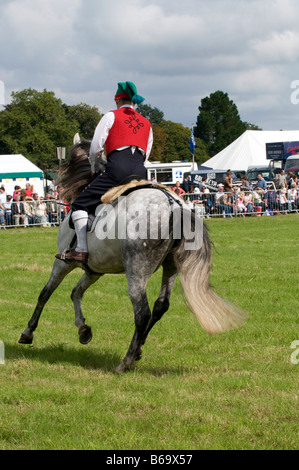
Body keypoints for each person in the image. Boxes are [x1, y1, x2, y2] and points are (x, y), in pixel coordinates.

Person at [56, 81, 153, 262]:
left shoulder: (111, 116)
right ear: (133, 103)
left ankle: (81, 249)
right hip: (141, 173)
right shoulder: (147, 123)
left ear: (117, 101)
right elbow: (146, 152)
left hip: (117, 170)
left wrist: (95, 168)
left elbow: (95, 148)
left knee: (80, 203)